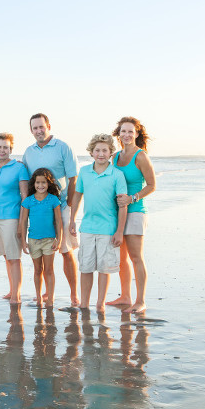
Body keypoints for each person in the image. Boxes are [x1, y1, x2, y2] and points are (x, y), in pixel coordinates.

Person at [22, 113, 80, 306]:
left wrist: (70, 207)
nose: (39, 131)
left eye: (41, 126)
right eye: (35, 128)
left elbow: (73, 179)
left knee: (65, 250)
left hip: (61, 206)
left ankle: (73, 294)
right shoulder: (28, 152)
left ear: (48, 126)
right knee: (45, 251)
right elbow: (24, 175)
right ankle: (47, 291)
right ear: (31, 130)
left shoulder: (63, 147)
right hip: (40, 209)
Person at [69, 134, 128, 313]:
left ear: (111, 153)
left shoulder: (117, 175)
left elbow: (122, 205)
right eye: (97, 150)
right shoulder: (85, 172)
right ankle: (84, 303)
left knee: (104, 268)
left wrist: (119, 231)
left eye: (104, 150)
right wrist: (72, 220)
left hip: (108, 229)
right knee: (85, 267)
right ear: (91, 152)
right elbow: (77, 196)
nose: (101, 154)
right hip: (87, 227)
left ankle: (100, 303)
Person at [108, 116, 156, 313]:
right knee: (120, 258)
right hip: (118, 213)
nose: (126, 135)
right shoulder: (115, 157)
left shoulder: (141, 156)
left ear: (136, 134)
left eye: (130, 131)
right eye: (123, 131)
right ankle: (125, 296)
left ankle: (140, 301)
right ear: (118, 134)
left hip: (135, 211)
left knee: (136, 257)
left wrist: (132, 198)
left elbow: (152, 185)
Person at [0, 132, 29, 305]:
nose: (2, 150)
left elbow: (25, 198)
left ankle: (16, 295)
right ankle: (11, 290)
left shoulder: (19, 168)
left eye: (6, 147)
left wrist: (22, 224)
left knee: (14, 257)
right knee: (6, 256)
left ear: (11, 149)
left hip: (11, 217)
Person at [19, 168, 63, 307]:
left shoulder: (53, 199)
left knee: (49, 270)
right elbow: (24, 221)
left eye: (43, 182)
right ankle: (38, 297)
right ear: (34, 184)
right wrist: (23, 241)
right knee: (38, 270)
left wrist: (59, 239)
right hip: (33, 241)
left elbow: (58, 220)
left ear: (48, 183)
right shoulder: (28, 201)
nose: (40, 185)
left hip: (49, 240)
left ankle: (50, 297)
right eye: (38, 182)